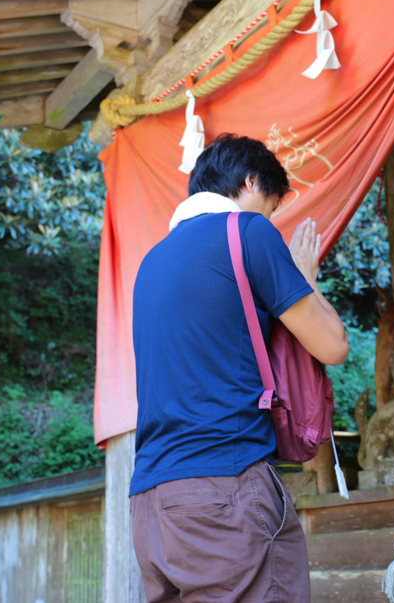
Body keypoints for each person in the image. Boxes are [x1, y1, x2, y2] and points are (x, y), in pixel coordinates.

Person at [129, 134, 349, 603]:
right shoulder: (246, 231)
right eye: (270, 206)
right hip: (224, 494)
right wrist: (306, 280)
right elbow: (332, 346)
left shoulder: (152, 261)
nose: (269, 219)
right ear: (251, 182)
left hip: (152, 506)